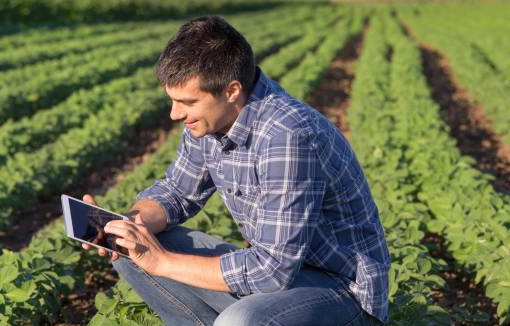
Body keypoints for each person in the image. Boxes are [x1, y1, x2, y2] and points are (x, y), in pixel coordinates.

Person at [81, 15, 390, 326]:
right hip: (281, 278)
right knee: (130, 253)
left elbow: (272, 270)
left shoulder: (288, 136)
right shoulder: (210, 119)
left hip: (341, 290)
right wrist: (125, 224)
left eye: (187, 102)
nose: (175, 114)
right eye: (172, 100)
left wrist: (161, 261)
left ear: (231, 90)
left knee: (239, 321)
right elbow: (177, 192)